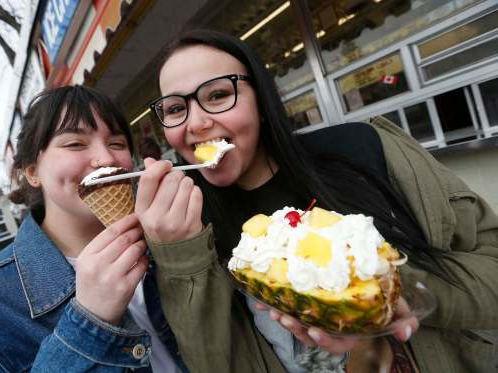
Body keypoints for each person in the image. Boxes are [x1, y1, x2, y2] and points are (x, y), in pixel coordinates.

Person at [134, 30, 498, 373]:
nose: (195, 123)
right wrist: (179, 256)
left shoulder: (365, 151)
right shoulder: (193, 229)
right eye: (175, 108)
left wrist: (380, 290)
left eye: (216, 95)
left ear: (261, 100)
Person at [0, 86, 188, 372]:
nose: (106, 159)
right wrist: (90, 322)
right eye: (75, 144)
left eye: (117, 143)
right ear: (31, 171)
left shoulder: (165, 238)